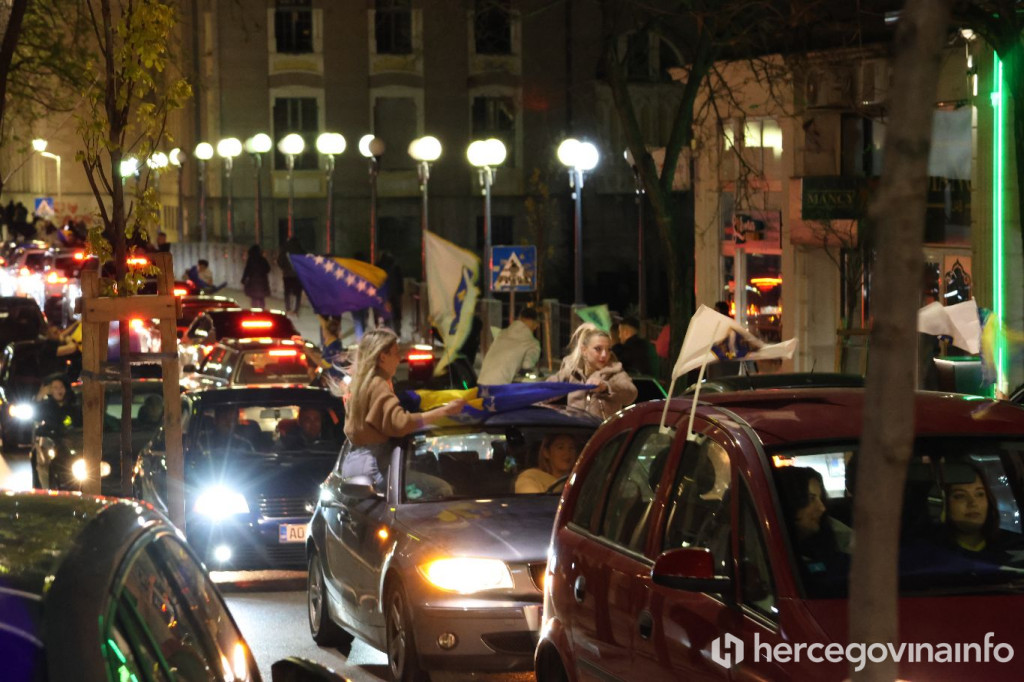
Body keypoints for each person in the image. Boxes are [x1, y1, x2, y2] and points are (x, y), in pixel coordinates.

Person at [340, 328, 465, 493]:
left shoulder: (359, 385)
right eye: (395, 353)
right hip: (377, 468)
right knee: (442, 489)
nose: (399, 359)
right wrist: (444, 411)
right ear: (383, 357)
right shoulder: (377, 384)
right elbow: (400, 423)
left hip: (356, 465)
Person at [774, 466, 850, 583]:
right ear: (790, 500)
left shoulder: (834, 535)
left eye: (820, 498)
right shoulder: (769, 550)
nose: (822, 508)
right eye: (811, 499)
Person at [551, 323, 637, 420]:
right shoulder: (572, 370)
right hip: (575, 426)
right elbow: (547, 388)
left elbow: (631, 393)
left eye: (608, 349)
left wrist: (605, 387)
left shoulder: (615, 371)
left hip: (603, 428)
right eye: (598, 349)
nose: (604, 354)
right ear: (584, 350)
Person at [942, 464, 1004, 555]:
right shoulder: (932, 553)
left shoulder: (1011, 546)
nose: (973, 503)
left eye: (980, 494)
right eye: (960, 496)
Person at [477, 307, 541, 385]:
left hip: (481, 381)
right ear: (534, 323)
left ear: (520, 318)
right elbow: (527, 366)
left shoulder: (501, 334)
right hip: (500, 386)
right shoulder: (532, 343)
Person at [279, 236, 305, 315]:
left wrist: (284, 268)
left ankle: (288, 308)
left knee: (287, 292)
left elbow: (279, 261)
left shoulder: (285, 250)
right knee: (298, 294)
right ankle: (296, 310)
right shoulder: (301, 251)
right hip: (298, 276)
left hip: (287, 275)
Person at [241, 243, 271, 308]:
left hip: (253, 283)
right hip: (262, 283)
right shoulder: (263, 259)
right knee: (261, 298)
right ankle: (262, 311)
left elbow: (247, 271)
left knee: (254, 299)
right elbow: (268, 269)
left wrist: (243, 280)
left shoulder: (250, 260)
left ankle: (254, 312)